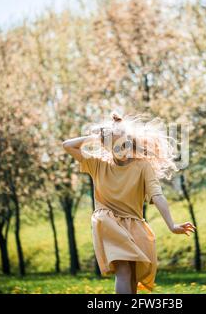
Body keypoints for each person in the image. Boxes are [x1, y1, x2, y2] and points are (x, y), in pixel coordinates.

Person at [62, 112, 195, 294]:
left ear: (132, 144)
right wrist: (99, 137)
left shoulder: (142, 166)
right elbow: (67, 145)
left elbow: (157, 195)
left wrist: (171, 224)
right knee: (123, 270)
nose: (121, 150)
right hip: (108, 221)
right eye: (114, 145)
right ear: (107, 146)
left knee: (132, 273)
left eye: (124, 144)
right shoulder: (99, 165)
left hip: (133, 223)